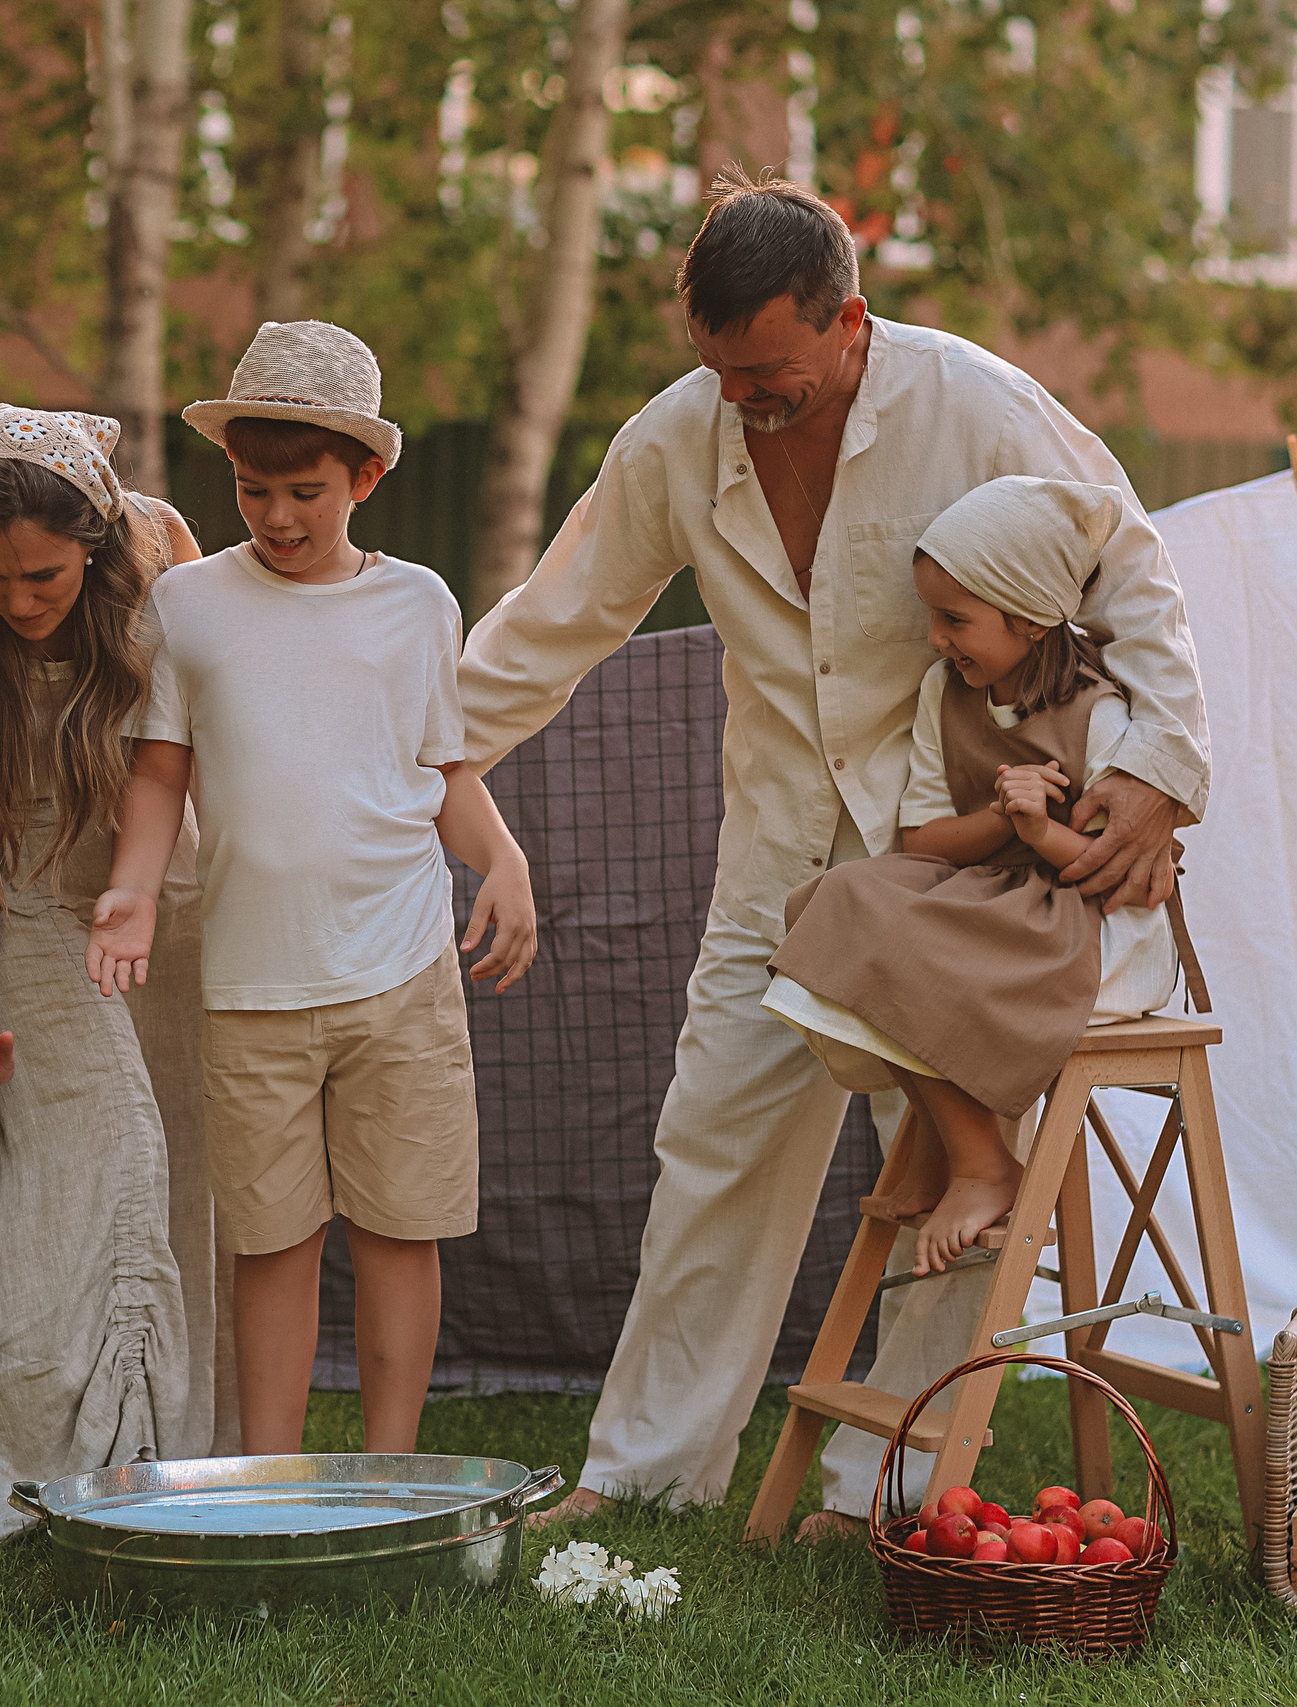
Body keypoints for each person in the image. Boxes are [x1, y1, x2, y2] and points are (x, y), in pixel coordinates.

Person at [456, 171, 1209, 1537]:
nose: (742, 404)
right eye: (720, 372)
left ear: (850, 321)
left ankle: (887, 1486)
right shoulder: (677, 438)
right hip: (782, 850)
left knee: (942, 1161)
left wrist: (1158, 769)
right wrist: (411, 759)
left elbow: (1130, 565)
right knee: (712, 1137)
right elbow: (552, 621)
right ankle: (645, 1473)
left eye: (772, 378)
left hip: (967, 863)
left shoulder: (974, 403)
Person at [86, 320, 539, 1455]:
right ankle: (273, 1478)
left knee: (399, 1230)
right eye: (252, 490)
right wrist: (134, 889)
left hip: (400, 972)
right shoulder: (188, 607)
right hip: (251, 984)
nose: (276, 517)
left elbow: (441, 767)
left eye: (305, 490)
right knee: (273, 1244)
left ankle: (390, 1473)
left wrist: (507, 860)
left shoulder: (421, 605)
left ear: (366, 477)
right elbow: (159, 769)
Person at [0, 404, 233, 1545]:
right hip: (6, 941)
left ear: (94, 543)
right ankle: (43, 1471)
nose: (19, 601)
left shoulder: (161, 567)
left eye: (42, 576)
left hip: (146, 935)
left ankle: (144, 1463)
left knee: (160, 1194)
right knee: (86, 1193)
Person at [762, 477, 1180, 1277]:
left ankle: (982, 1162)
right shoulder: (942, 694)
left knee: (895, 947)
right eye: (933, 616)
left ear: (1028, 619)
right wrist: (1001, 821)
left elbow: (1120, 878)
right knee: (836, 902)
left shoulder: (1098, 716)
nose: (935, 638)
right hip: (992, 894)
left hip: (1089, 925)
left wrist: (1039, 832)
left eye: (955, 620)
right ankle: (958, 1146)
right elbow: (925, 837)